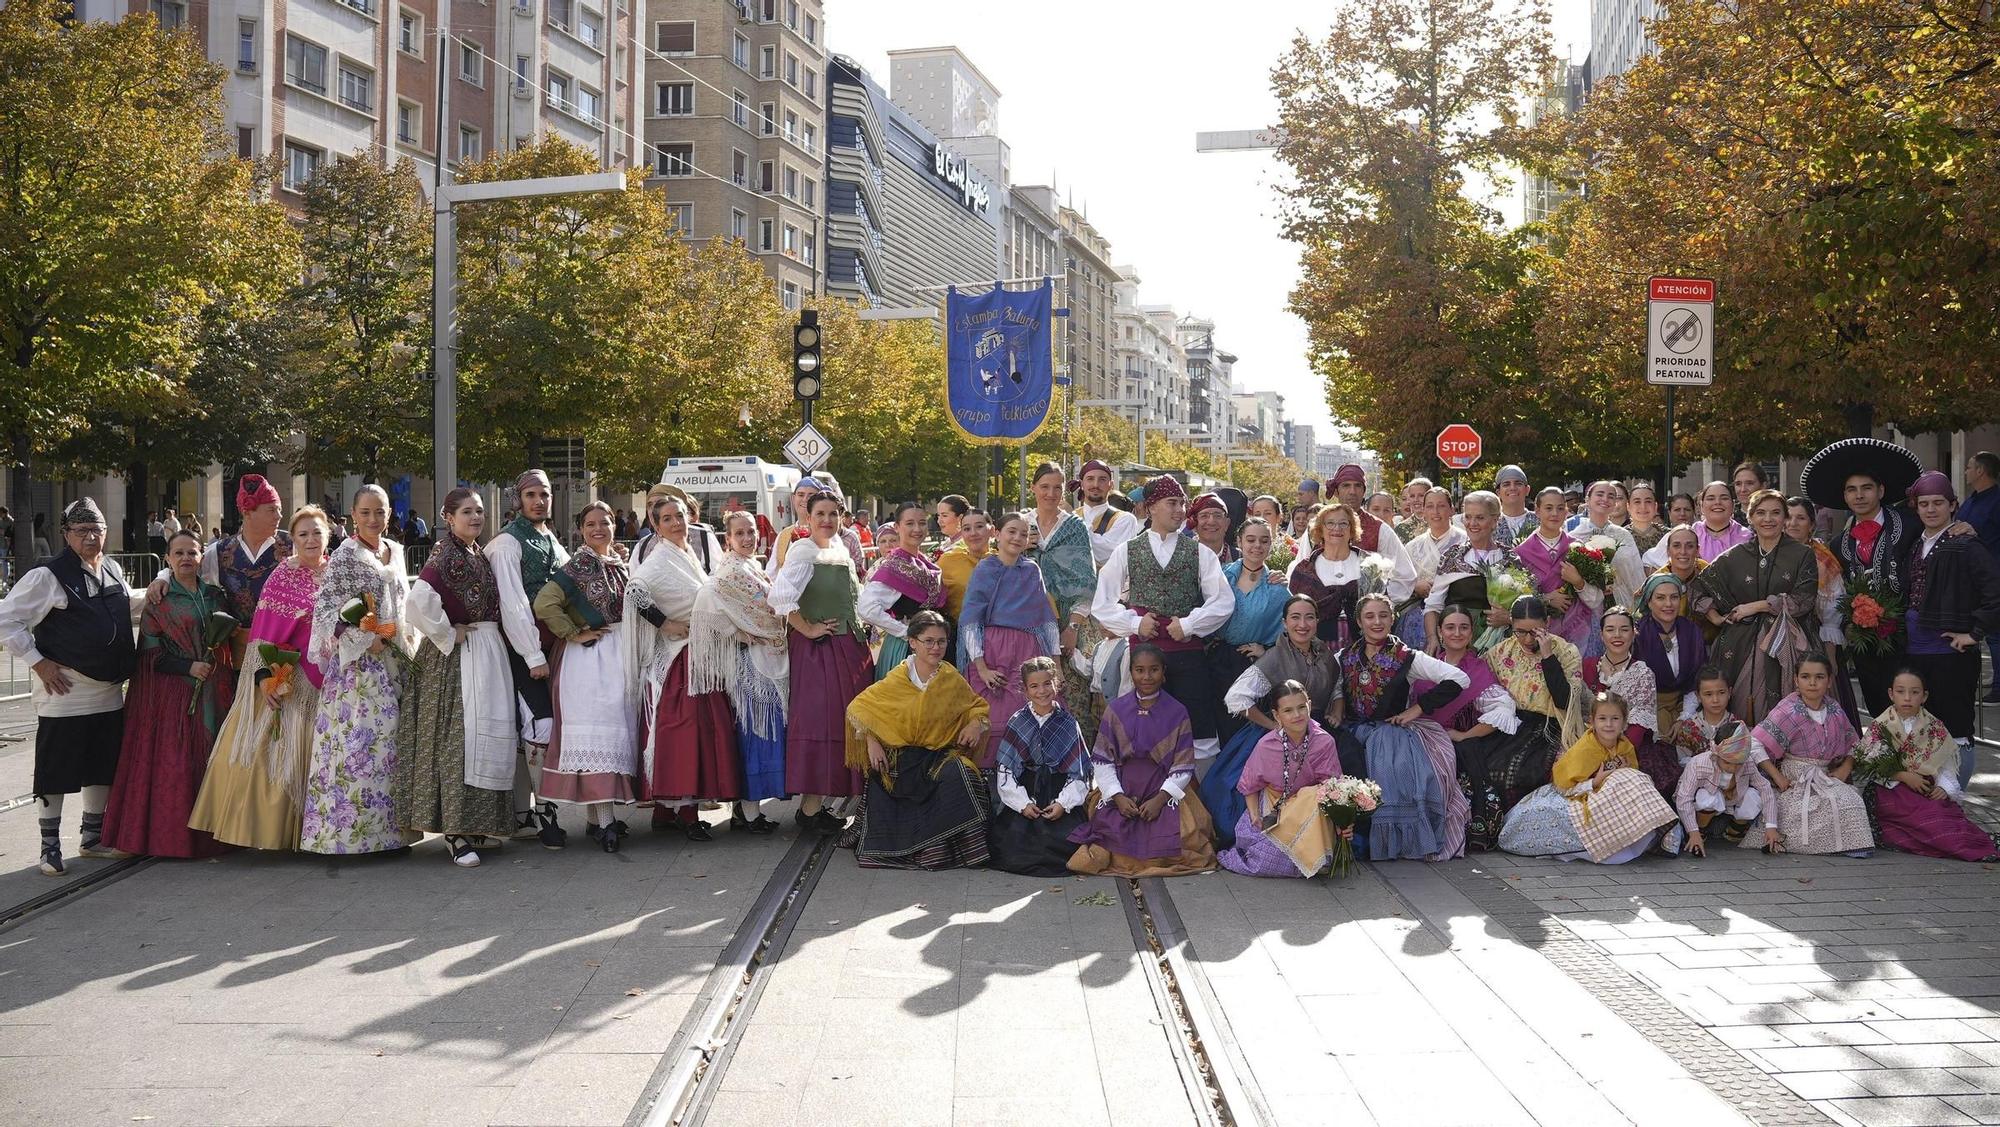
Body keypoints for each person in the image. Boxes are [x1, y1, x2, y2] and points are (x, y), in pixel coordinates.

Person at [1, 499, 146, 875]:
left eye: (96, 530)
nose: (90, 537)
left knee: (101, 765)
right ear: (66, 535)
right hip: (66, 690)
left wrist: (161, 587)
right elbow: (6, 620)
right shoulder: (47, 575)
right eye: (81, 531)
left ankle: (92, 837)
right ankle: (49, 847)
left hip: (109, 691)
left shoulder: (112, 568)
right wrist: (39, 662)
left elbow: (125, 607)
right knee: (56, 768)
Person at [189, 507, 331, 851]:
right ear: (292, 541)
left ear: (328, 535)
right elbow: (265, 634)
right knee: (277, 756)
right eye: (302, 535)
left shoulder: (337, 573)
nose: (310, 540)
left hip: (334, 684)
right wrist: (266, 678)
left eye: (316, 533)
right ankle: (273, 833)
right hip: (290, 678)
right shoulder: (283, 575)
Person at [394, 489, 516, 867]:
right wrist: (449, 633)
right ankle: (456, 831)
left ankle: (477, 824)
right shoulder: (445, 554)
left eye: (479, 511)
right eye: (467, 512)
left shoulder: (474, 552)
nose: (475, 517)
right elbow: (417, 603)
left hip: (484, 651)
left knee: (483, 734)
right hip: (458, 658)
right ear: (448, 516)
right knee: (458, 737)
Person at [98, 529, 233, 859]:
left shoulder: (216, 595)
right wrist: (189, 667)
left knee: (213, 760)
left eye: (192, 552)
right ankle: (175, 839)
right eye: (179, 553)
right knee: (177, 765)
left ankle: (214, 837)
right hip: (175, 695)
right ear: (168, 559)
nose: (186, 558)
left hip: (214, 690)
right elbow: (149, 654)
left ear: (202, 557)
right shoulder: (160, 600)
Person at [300, 485, 415, 856]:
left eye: (379, 512)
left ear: (389, 514)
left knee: (391, 747)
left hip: (394, 658)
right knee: (360, 746)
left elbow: (403, 603)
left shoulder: (395, 551)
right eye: (365, 512)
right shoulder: (345, 556)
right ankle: (351, 838)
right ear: (352, 515)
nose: (373, 519)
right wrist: (366, 638)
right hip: (358, 669)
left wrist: (403, 639)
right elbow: (327, 612)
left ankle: (392, 836)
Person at [1091, 474, 1236, 762]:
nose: (1180, 510)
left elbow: (1223, 600)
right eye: (1172, 503)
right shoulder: (1128, 550)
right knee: (1143, 727)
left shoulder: (1198, 552)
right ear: (1151, 507)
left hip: (1188, 657)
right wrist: (1134, 623)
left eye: (1182, 503)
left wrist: (1190, 624)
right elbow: (1102, 602)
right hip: (1144, 659)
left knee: (1197, 730)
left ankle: (1193, 804)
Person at [842, 610, 990, 869]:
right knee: (884, 775)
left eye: (942, 641)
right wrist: (871, 741)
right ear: (913, 642)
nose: (936, 647)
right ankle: (907, 850)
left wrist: (976, 724)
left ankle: (960, 851)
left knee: (964, 775)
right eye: (928, 641)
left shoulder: (950, 678)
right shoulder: (896, 678)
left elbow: (976, 706)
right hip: (900, 758)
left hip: (938, 754)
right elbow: (858, 707)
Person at [533, 502, 642, 853]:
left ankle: (597, 820)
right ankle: (606, 821)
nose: (599, 529)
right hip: (589, 662)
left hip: (615, 656)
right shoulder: (579, 564)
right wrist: (573, 632)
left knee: (614, 733)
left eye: (605, 522)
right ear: (581, 529)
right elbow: (545, 602)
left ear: (615, 525)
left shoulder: (616, 564)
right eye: (591, 523)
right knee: (602, 737)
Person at [630, 493, 740, 840]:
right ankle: (687, 813)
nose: (677, 523)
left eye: (680, 516)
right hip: (681, 658)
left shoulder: (686, 552)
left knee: (697, 731)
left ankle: (666, 812)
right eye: (667, 519)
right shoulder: (659, 558)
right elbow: (634, 592)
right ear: (656, 526)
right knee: (686, 733)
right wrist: (664, 624)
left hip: (698, 654)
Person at [1331, 593, 1470, 861]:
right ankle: (1353, 842)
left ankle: (1392, 844)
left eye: (1383, 615)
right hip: (1353, 732)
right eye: (1369, 616)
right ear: (1359, 622)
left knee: (1390, 778)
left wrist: (1416, 710)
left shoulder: (1408, 657)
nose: (1377, 622)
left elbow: (1458, 678)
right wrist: (1337, 709)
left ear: (1393, 618)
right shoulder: (1344, 656)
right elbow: (1337, 687)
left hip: (1391, 737)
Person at [1066, 643, 1218, 877]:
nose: (1147, 676)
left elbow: (1183, 765)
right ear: (1131, 673)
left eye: (1154, 670)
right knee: (1108, 835)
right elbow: (1103, 760)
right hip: (1123, 788)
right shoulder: (1116, 709)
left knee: (1186, 835)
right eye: (1139, 670)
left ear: (1164, 673)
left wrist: (1160, 799)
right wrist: (1117, 797)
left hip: (1164, 788)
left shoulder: (1177, 711)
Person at [1204, 596, 1342, 848]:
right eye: (1295, 618)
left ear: (1317, 621)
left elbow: (1336, 687)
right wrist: (1274, 726)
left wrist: (1337, 709)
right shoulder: (1274, 658)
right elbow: (1236, 698)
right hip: (1277, 733)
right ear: (1284, 623)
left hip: (1317, 734)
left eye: (1309, 617)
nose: (1303, 624)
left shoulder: (1326, 655)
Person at [770, 488, 868, 834]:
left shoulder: (839, 549)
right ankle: (809, 810)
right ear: (808, 518)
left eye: (833, 514)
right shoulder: (803, 550)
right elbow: (779, 597)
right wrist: (808, 629)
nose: (827, 521)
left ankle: (823, 804)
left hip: (847, 648)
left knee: (845, 725)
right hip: (820, 653)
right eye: (820, 514)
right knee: (821, 724)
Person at [484, 469, 570, 850]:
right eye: (531, 494)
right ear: (517, 500)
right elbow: (513, 604)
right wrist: (533, 655)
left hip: (548, 648)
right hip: (520, 651)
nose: (539, 501)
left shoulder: (547, 535)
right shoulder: (506, 544)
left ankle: (524, 814)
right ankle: (544, 813)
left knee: (529, 732)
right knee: (541, 727)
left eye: (544, 494)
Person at [689, 510, 789, 834]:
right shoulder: (729, 573)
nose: (748, 538)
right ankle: (748, 814)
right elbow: (708, 601)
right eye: (740, 533)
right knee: (755, 733)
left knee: (761, 732)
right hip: (750, 665)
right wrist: (741, 633)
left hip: (766, 658)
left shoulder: (751, 566)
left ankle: (747, 812)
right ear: (727, 539)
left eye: (751, 532)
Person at [1898, 471, 2000, 785]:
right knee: (1924, 728)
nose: (1931, 509)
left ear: (1953, 505)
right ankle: (1933, 805)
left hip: (1950, 653)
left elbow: (1994, 591)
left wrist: (1974, 633)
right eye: (1924, 503)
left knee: (1955, 730)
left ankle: (1956, 801)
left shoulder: (1965, 543)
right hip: (1916, 652)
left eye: (1938, 503)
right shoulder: (1918, 544)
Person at [1498, 690, 1677, 863]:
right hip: (1576, 793)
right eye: (1602, 719)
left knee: (1637, 779)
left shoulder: (1625, 747)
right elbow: (1564, 786)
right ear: (1591, 722)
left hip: (1607, 796)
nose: (1609, 724)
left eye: (1615, 719)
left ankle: (1658, 831)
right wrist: (1596, 781)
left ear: (1624, 724)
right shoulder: (1586, 748)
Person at [1692, 489, 1818, 726]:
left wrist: (1758, 606)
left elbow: (1804, 599)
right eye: (1760, 513)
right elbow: (1699, 587)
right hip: (1738, 643)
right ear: (1749, 517)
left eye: (1775, 513)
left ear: (1785, 517)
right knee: (1736, 709)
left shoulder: (1802, 554)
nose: (1768, 519)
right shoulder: (1735, 556)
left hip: (1786, 640)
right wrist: (1716, 618)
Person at [1860, 669, 1998, 861]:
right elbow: (1870, 764)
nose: (1907, 698)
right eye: (1901, 691)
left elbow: (1946, 763)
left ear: (1924, 696)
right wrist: (1903, 775)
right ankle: (1973, 849)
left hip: (1925, 787)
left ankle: (1980, 844)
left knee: (1944, 815)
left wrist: (1943, 787)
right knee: (1928, 820)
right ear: (1891, 694)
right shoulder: (1880, 725)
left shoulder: (1934, 727)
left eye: (1915, 692)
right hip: (1890, 790)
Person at [958, 511, 1061, 767]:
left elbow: (1046, 618)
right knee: (994, 720)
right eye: (1011, 531)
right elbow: (971, 620)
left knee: (1035, 715)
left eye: (1023, 533)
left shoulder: (1031, 570)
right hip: (994, 653)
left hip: (1028, 653)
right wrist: (981, 668)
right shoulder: (985, 569)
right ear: (998, 534)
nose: (1017, 538)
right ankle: (992, 789)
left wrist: (1056, 663)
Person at [1416, 606, 1521, 851]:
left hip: (1455, 748)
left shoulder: (1478, 669)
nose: (1457, 633)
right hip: (1421, 741)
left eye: (1463, 627)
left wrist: (1464, 735)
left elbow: (1503, 711)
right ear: (1440, 632)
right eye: (1450, 627)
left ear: (1472, 633)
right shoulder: (1424, 665)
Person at [1747, 653, 1873, 855]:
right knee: (1801, 810)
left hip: (1825, 776)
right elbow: (1753, 742)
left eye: (1819, 677)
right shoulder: (1788, 710)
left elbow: (1855, 744)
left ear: (1830, 681)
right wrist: (1777, 777)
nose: (1812, 683)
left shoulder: (1834, 709)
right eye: (1805, 677)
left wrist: (1845, 768)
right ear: (1796, 680)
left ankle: (1849, 846)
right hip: (1795, 778)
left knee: (1850, 799)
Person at [1218, 679, 1343, 877]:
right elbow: (1250, 785)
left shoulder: (1324, 741)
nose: (1297, 715)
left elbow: (1333, 786)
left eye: (1302, 707)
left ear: (1309, 705)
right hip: (1274, 804)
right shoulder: (1266, 744)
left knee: (1313, 794)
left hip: (1311, 808)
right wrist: (1254, 816)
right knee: (1263, 858)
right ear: (1277, 715)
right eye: (1288, 711)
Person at [986, 657, 1091, 876]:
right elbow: (1006, 772)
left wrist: (1063, 803)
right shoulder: (1018, 721)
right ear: (1024, 690)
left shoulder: (1068, 723)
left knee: (1068, 843)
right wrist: (1022, 804)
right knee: (1013, 847)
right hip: (1027, 793)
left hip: (1058, 792)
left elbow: (1079, 774)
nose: (1041, 691)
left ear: (1056, 684)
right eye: (1034, 686)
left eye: (1047, 684)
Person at [148, 474, 293, 631]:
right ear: (247, 512)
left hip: (284, 644)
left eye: (279, 510)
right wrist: (163, 578)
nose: (279, 516)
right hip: (237, 646)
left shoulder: (293, 545)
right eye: (272, 509)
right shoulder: (219, 551)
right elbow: (187, 569)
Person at [1484, 596, 1587, 814]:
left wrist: (1548, 655)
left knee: (1525, 772)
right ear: (1511, 624)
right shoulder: (1500, 652)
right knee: (1485, 764)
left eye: (1535, 632)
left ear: (1547, 622)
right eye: (1520, 631)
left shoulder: (1566, 652)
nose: (1528, 639)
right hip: (1510, 724)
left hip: (1551, 725)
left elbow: (1565, 701)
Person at [1027, 462, 1101, 732]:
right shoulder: (1021, 526)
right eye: (1044, 486)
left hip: (1069, 620)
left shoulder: (1075, 527)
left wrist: (1072, 627)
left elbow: (1087, 582)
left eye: (1057, 487)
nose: (1050, 493)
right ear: (1032, 488)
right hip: (1030, 620)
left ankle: (1079, 764)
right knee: (1032, 694)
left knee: (1073, 696)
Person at [1581, 607, 1681, 799]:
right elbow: (1579, 713)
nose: (1617, 635)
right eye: (1610, 629)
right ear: (1601, 634)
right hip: (1587, 744)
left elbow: (1636, 730)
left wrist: (1610, 761)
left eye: (1624, 629)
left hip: (1627, 750)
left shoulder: (1642, 674)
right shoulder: (1586, 666)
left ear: (1633, 633)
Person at [1209, 517, 1289, 742]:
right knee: (1220, 728)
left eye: (1264, 541)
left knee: (1247, 734)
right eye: (1251, 540)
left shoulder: (1277, 587)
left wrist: (1265, 651)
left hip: (1251, 667)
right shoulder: (1221, 576)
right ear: (1239, 542)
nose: (1257, 546)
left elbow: (1291, 630)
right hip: (1217, 662)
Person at [1784, 496, 1860, 727]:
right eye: (1788, 517)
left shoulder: (1823, 560)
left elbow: (1831, 614)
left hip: (1813, 639)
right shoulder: (1770, 554)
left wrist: (1830, 657)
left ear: (1812, 525)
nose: (1792, 523)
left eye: (1801, 518)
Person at [1422, 490, 1520, 652]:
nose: (1472, 523)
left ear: (1495, 520)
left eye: (1480, 518)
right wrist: (1433, 639)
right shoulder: (1452, 557)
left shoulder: (1509, 558)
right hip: (1457, 643)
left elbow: (1526, 606)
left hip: (1500, 647)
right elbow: (1433, 606)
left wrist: (1508, 618)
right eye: (1468, 517)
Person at [859, 502, 947, 681]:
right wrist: (904, 631)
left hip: (932, 647)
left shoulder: (924, 563)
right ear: (897, 527)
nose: (917, 528)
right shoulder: (893, 567)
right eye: (910, 523)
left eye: (922, 523)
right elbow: (866, 608)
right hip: (906, 650)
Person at [1671, 721, 1780, 856]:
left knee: (1753, 796)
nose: (1733, 768)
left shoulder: (1748, 763)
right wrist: (1692, 831)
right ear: (1716, 754)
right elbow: (1684, 798)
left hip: (1733, 800)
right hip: (1706, 803)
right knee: (1706, 797)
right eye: (1728, 762)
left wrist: (1771, 826)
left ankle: (1735, 829)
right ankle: (1700, 830)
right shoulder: (1698, 764)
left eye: (1738, 763)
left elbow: (1765, 789)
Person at [1515, 487, 1602, 654]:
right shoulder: (1521, 553)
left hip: (1580, 631)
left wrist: (1578, 582)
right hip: (1537, 635)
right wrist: (1546, 599)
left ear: (1566, 512)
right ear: (1537, 511)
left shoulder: (1579, 548)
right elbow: (1516, 600)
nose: (1555, 513)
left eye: (1560, 508)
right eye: (1548, 508)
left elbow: (1596, 599)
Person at [1288, 502, 1386, 648]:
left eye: (1343, 523)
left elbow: (1383, 608)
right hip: (1317, 649)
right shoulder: (1305, 569)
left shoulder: (1370, 564)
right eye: (1330, 523)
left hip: (1366, 647)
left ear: (1352, 529)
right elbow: (1296, 614)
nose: (1337, 528)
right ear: (1320, 529)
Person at [1329, 463, 1419, 601]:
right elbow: (1301, 569)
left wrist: (1378, 599)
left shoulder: (1379, 529)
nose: (1352, 491)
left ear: (1364, 491)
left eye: (1358, 486)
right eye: (1346, 485)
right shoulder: (1319, 526)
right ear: (1336, 491)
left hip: (1367, 617)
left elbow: (1405, 575)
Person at [1633, 573, 1708, 734]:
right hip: (1650, 708)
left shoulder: (1691, 631)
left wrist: (1684, 716)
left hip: (1688, 705)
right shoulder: (1638, 634)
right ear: (1648, 601)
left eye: (1674, 597)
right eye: (1660, 598)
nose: (1668, 604)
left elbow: (1699, 678)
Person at [1400, 487, 1466, 647]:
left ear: (1452, 510)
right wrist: (1414, 585)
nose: (1435, 512)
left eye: (1441, 506)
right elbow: (1399, 580)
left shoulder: (1465, 541)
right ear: (1423, 510)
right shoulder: (1413, 546)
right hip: (1419, 610)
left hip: (1456, 610)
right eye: (1430, 506)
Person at [1566, 480, 1646, 611]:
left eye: (1611, 496)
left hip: (1620, 603)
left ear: (1614, 503)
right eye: (1600, 494)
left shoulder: (1623, 535)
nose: (1605, 499)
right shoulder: (1573, 535)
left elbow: (1636, 575)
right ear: (1588, 499)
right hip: (1581, 607)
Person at [1959, 452, 2000, 701]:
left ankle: (1999, 687)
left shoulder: (1996, 501)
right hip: (1969, 578)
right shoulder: (1971, 501)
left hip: (1992, 577)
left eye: (1969, 467)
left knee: (1995, 634)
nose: (1966, 471)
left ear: (1981, 471)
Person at [1666, 666, 1741, 762]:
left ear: (1729, 692)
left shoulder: (1737, 725)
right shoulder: (1687, 728)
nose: (1715, 700)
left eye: (1721, 692)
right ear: (1698, 696)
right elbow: (1682, 761)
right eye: (1708, 694)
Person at [1075, 459, 1142, 567]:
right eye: (1090, 479)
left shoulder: (1125, 520)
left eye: (1102, 479)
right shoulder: (1071, 516)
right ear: (1082, 484)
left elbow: (1109, 556)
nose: (1096, 484)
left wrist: (1073, 526)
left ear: (1111, 485)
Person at [1692, 481, 1752, 563]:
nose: (1717, 502)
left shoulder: (1746, 537)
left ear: (1733, 505)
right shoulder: (1693, 533)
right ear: (1702, 506)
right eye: (1711, 498)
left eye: (1724, 498)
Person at [1186, 491, 1236, 565]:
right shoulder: (1181, 556)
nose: (1211, 522)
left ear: (1227, 524)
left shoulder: (1241, 558)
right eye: (1204, 516)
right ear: (1194, 524)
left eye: (1218, 515)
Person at [1492, 465, 1535, 546]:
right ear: (1498, 493)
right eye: (1506, 484)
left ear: (1527, 490)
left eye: (1518, 483)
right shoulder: (1490, 523)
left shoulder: (1541, 522)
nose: (1512, 488)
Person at [1625, 483, 1669, 554]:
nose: (1643, 507)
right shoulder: (1620, 536)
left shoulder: (1668, 536)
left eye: (1648, 501)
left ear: (1655, 506)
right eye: (1637, 502)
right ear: (1628, 506)